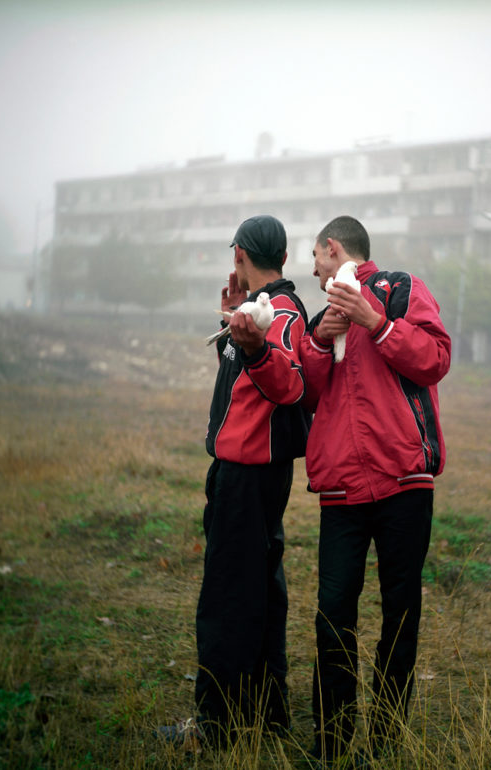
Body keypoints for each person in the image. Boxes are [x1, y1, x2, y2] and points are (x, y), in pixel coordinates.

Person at [300, 215, 451, 764]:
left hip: (404, 483)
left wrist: (378, 323)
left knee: (399, 615)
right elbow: (304, 392)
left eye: (315, 257)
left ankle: (386, 743)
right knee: (332, 615)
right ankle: (332, 746)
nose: (312, 269)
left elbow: (436, 360)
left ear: (333, 248)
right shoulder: (321, 318)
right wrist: (319, 342)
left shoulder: (401, 289)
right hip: (341, 491)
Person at [163, 214, 311, 748]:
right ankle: (268, 716)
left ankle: (214, 727)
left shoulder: (282, 313)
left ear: (239, 256)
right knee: (262, 593)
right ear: (286, 259)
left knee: (227, 597)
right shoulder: (261, 310)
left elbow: (292, 387)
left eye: (236, 257)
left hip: (247, 474)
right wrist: (234, 327)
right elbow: (245, 386)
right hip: (257, 473)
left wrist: (253, 346)